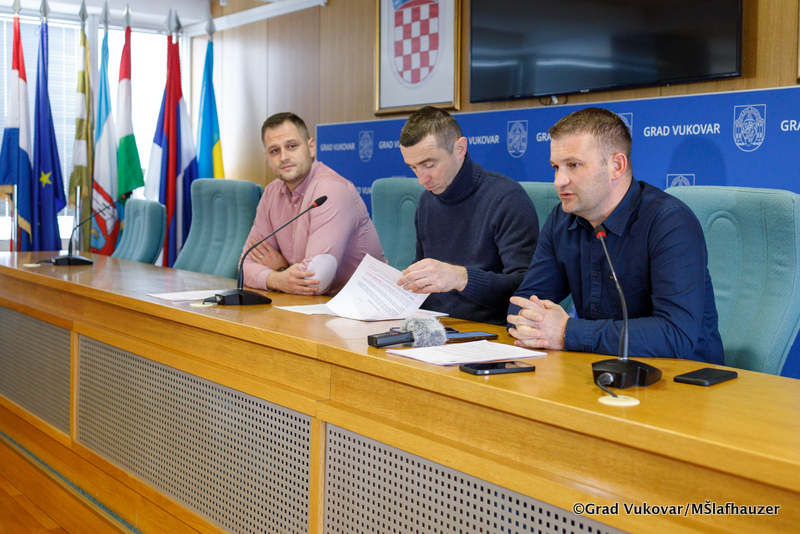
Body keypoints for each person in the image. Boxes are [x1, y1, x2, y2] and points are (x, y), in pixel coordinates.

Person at [508, 107, 723, 364]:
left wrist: (568, 332)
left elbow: (675, 334)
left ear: (616, 166)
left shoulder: (670, 222)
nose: (559, 181)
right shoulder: (562, 219)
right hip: (599, 368)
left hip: (682, 376)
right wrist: (536, 324)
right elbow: (521, 305)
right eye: (556, 167)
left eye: (573, 165)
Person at [396, 106, 539, 325]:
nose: (421, 180)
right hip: (433, 326)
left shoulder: (507, 199)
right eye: (413, 168)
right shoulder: (427, 200)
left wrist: (460, 278)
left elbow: (526, 291)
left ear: (460, 149)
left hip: (488, 333)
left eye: (428, 165)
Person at [242, 112, 386, 296]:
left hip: (367, 305)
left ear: (311, 148)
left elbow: (314, 281)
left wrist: (280, 270)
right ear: (267, 158)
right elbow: (245, 264)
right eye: (275, 151)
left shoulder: (330, 189)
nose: (283, 157)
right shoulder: (271, 193)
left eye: (292, 146)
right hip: (313, 305)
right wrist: (278, 278)